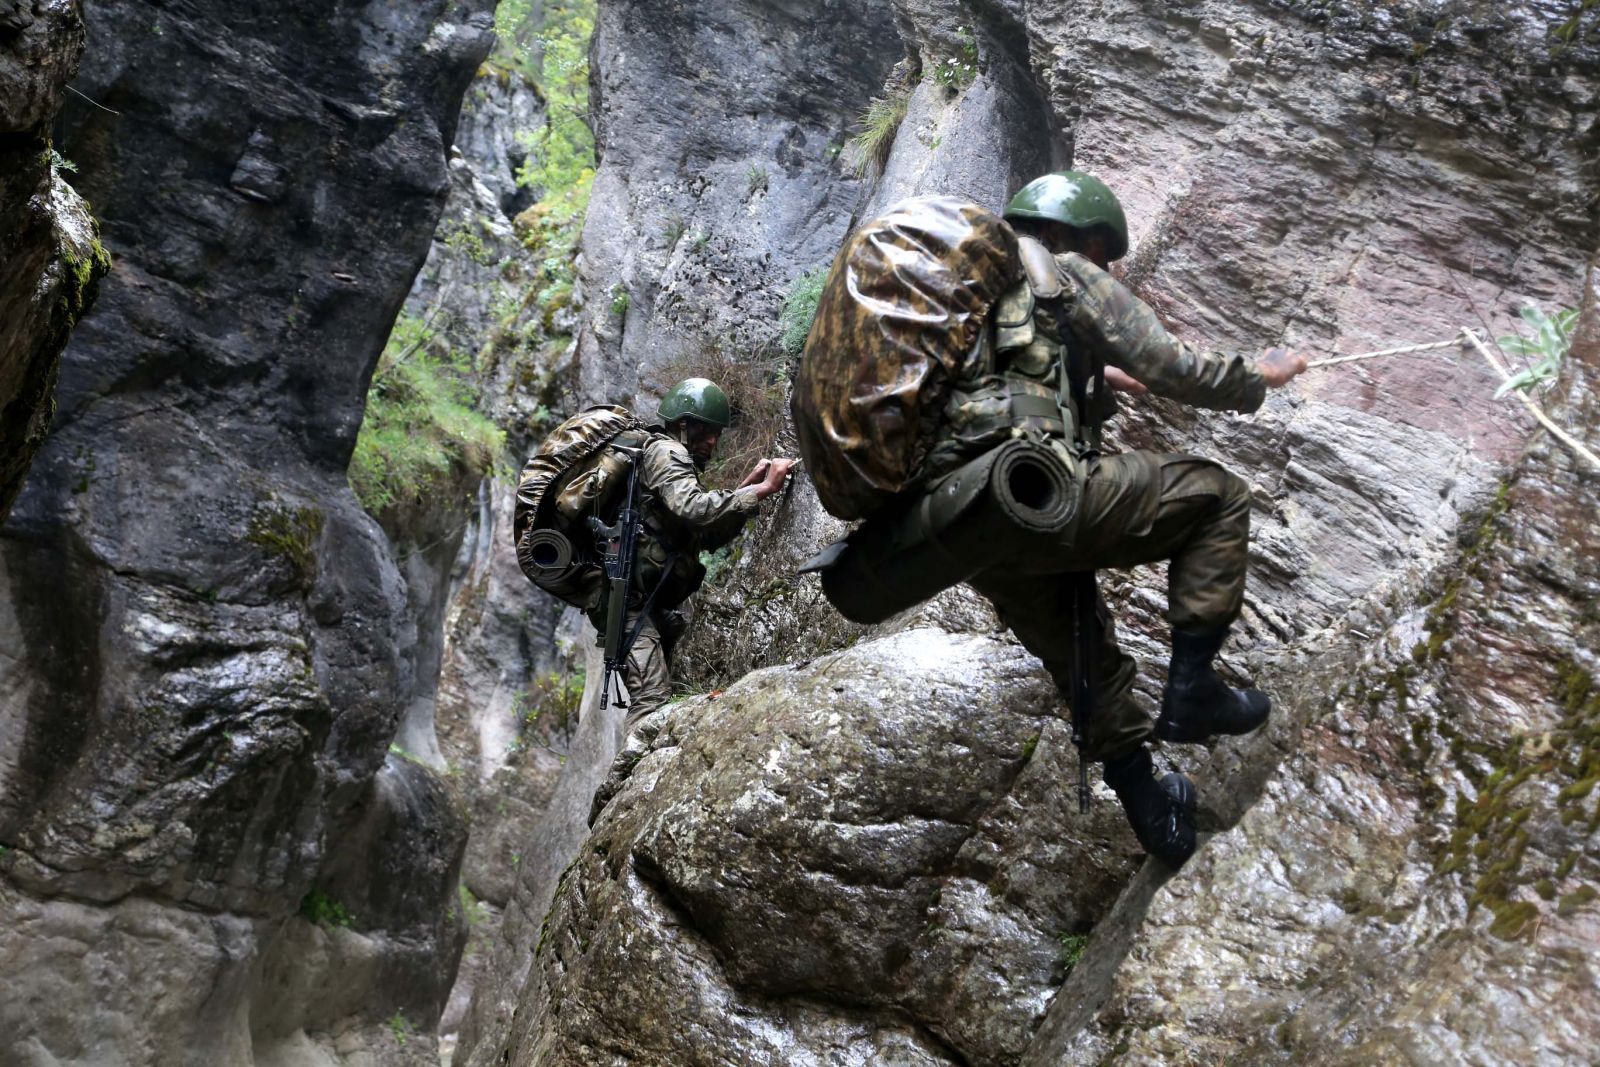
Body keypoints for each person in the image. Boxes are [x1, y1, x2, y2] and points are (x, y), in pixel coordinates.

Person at [967, 170, 1307, 865]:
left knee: (1083, 658)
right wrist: (1257, 377)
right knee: (1217, 496)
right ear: (1074, 236)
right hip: (1041, 488)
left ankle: (1152, 810)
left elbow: (1020, 379)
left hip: (969, 523)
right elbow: (1171, 363)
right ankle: (1193, 693)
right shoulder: (1061, 268)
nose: (1102, 267)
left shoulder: (977, 299)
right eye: (1101, 254)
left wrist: (1098, 375)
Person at [595, 377, 794, 736]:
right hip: (628, 605)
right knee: (651, 699)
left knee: (678, 680)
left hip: (648, 603)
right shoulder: (666, 453)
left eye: (716, 433)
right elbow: (694, 509)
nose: (713, 441)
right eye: (706, 431)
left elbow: (702, 534)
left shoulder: (669, 459)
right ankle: (628, 788)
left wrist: (744, 491)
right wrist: (762, 490)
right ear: (683, 426)